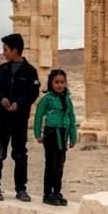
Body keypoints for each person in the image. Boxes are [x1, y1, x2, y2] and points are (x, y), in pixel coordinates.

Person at [0, 33, 40, 202]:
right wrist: (1, 98)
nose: (3, 53)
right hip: (2, 117)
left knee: (20, 153)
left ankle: (21, 189)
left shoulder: (30, 71)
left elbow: (33, 93)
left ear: (15, 50)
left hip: (19, 118)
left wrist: (20, 103)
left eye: (6, 49)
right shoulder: (2, 69)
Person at [33, 69, 78, 206]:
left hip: (63, 134)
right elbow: (39, 115)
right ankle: (48, 194)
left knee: (60, 165)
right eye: (56, 82)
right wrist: (37, 134)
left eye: (62, 82)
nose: (59, 85)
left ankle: (57, 192)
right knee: (50, 165)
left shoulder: (67, 99)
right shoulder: (47, 99)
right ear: (51, 83)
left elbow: (71, 117)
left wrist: (73, 136)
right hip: (51, 133)